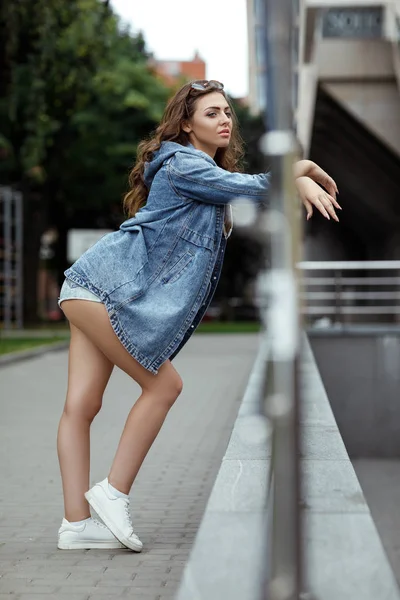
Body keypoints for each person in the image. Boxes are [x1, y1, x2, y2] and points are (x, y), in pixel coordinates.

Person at [56, 79, 341, 551]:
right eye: (212, 113)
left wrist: (301, 168)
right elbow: (251, 188)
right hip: (100, 290)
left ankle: (75, 525)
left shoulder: (196, 170)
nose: (225, 119)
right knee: (164, 385)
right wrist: (298, 174)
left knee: (81, 406)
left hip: (91, 287)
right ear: (185, 124)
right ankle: (112, 493)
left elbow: (238, 187)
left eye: (227, 112)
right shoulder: (184, 163)